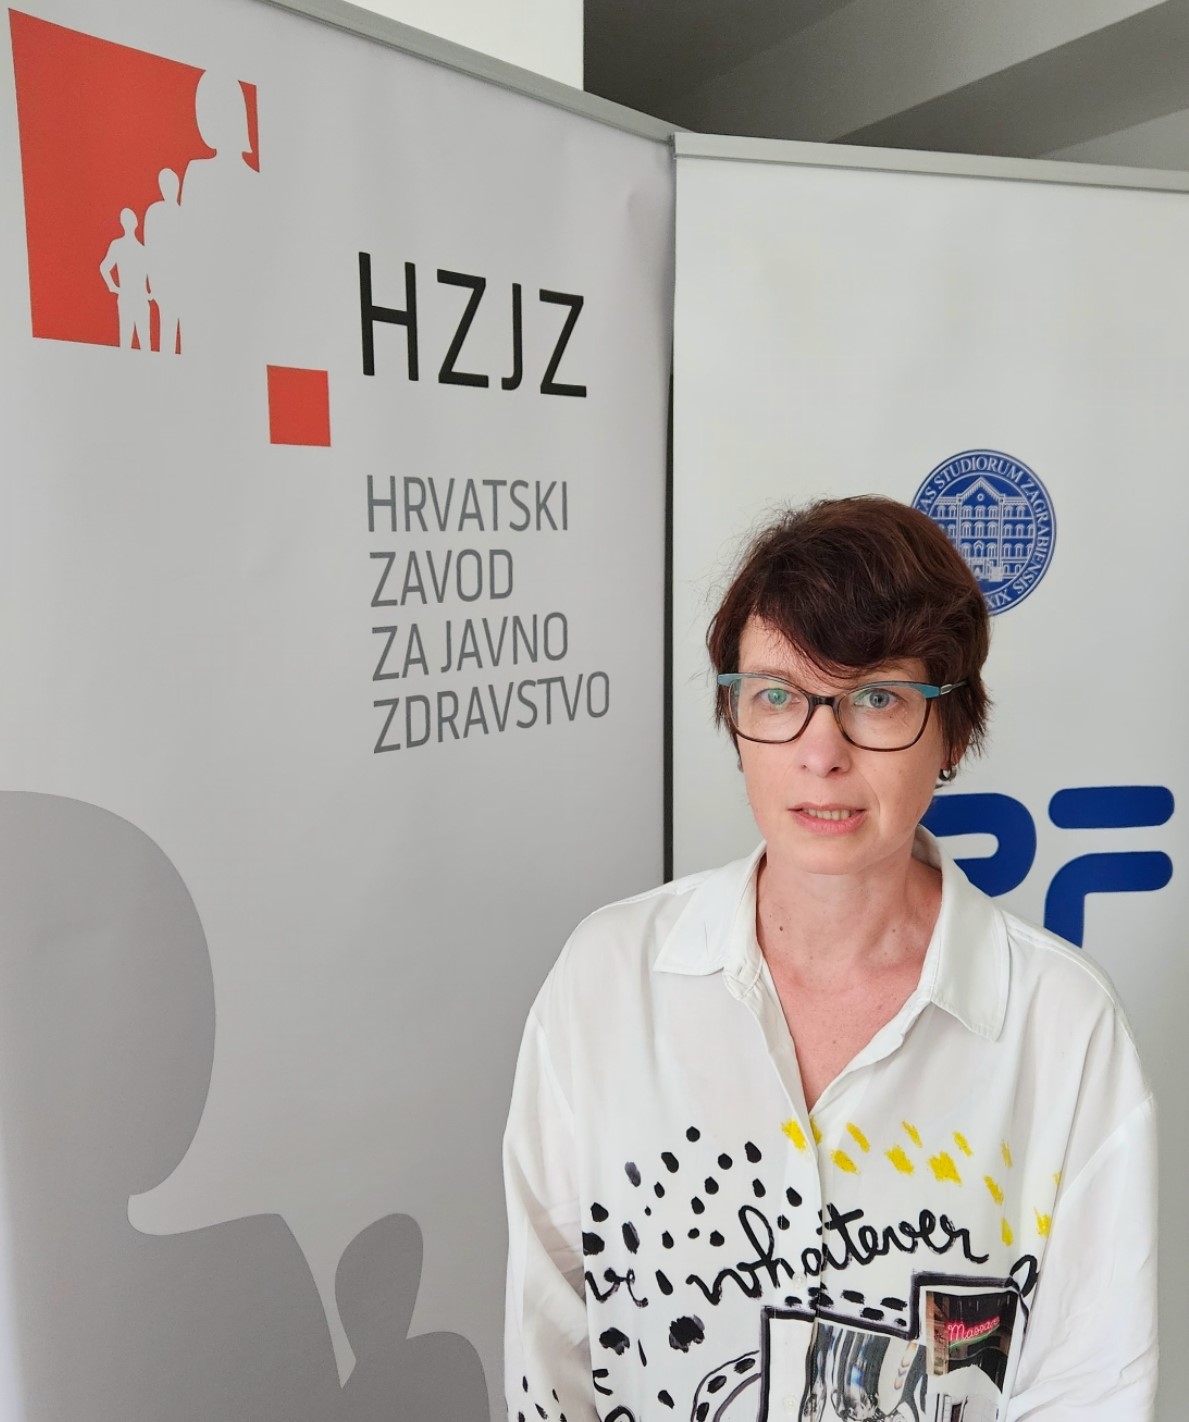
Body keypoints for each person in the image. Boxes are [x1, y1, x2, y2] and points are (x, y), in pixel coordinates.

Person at [503, 497, 1156, 1421]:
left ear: (952, 731)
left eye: (876, 698)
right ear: (734, 720)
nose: (821, 753)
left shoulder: (1059, 1025)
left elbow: (1088, 1388)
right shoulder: (608, 978)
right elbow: (550, 1342)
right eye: (777, 696)